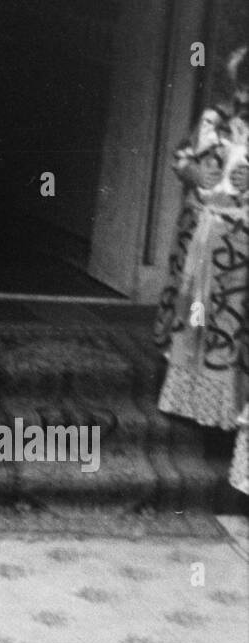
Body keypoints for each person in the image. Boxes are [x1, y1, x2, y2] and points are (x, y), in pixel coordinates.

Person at [154, 47, 248, 437]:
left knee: (226, 320)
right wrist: (193, 170)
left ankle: (218, 411)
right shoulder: (211, 120)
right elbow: (181, 157)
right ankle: (181, 399)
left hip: (240, 244)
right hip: (199, 235)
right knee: (193, 311)